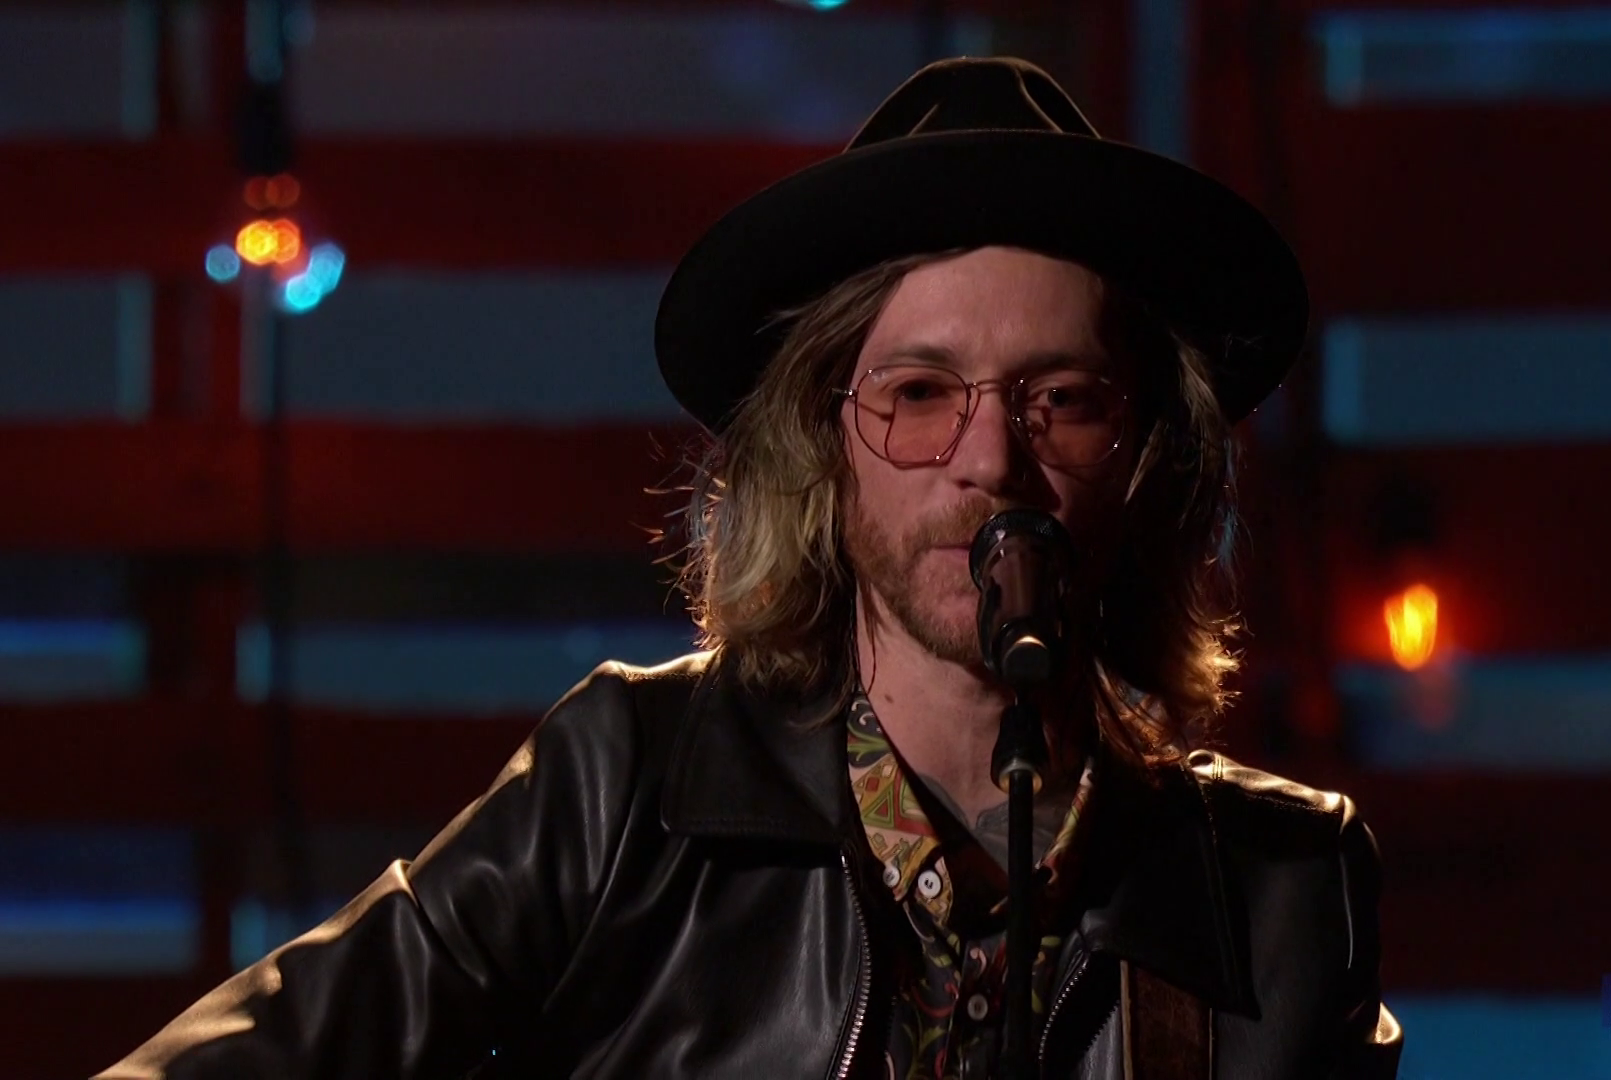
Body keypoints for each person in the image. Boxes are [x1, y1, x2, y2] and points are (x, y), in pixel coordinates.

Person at [98, 56, 1402, 1079]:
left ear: (1149, 461)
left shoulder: (1283, 890)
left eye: (1061, 399)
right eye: (920, 392)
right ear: (823, 447)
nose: (990, 461)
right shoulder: (631, 788)